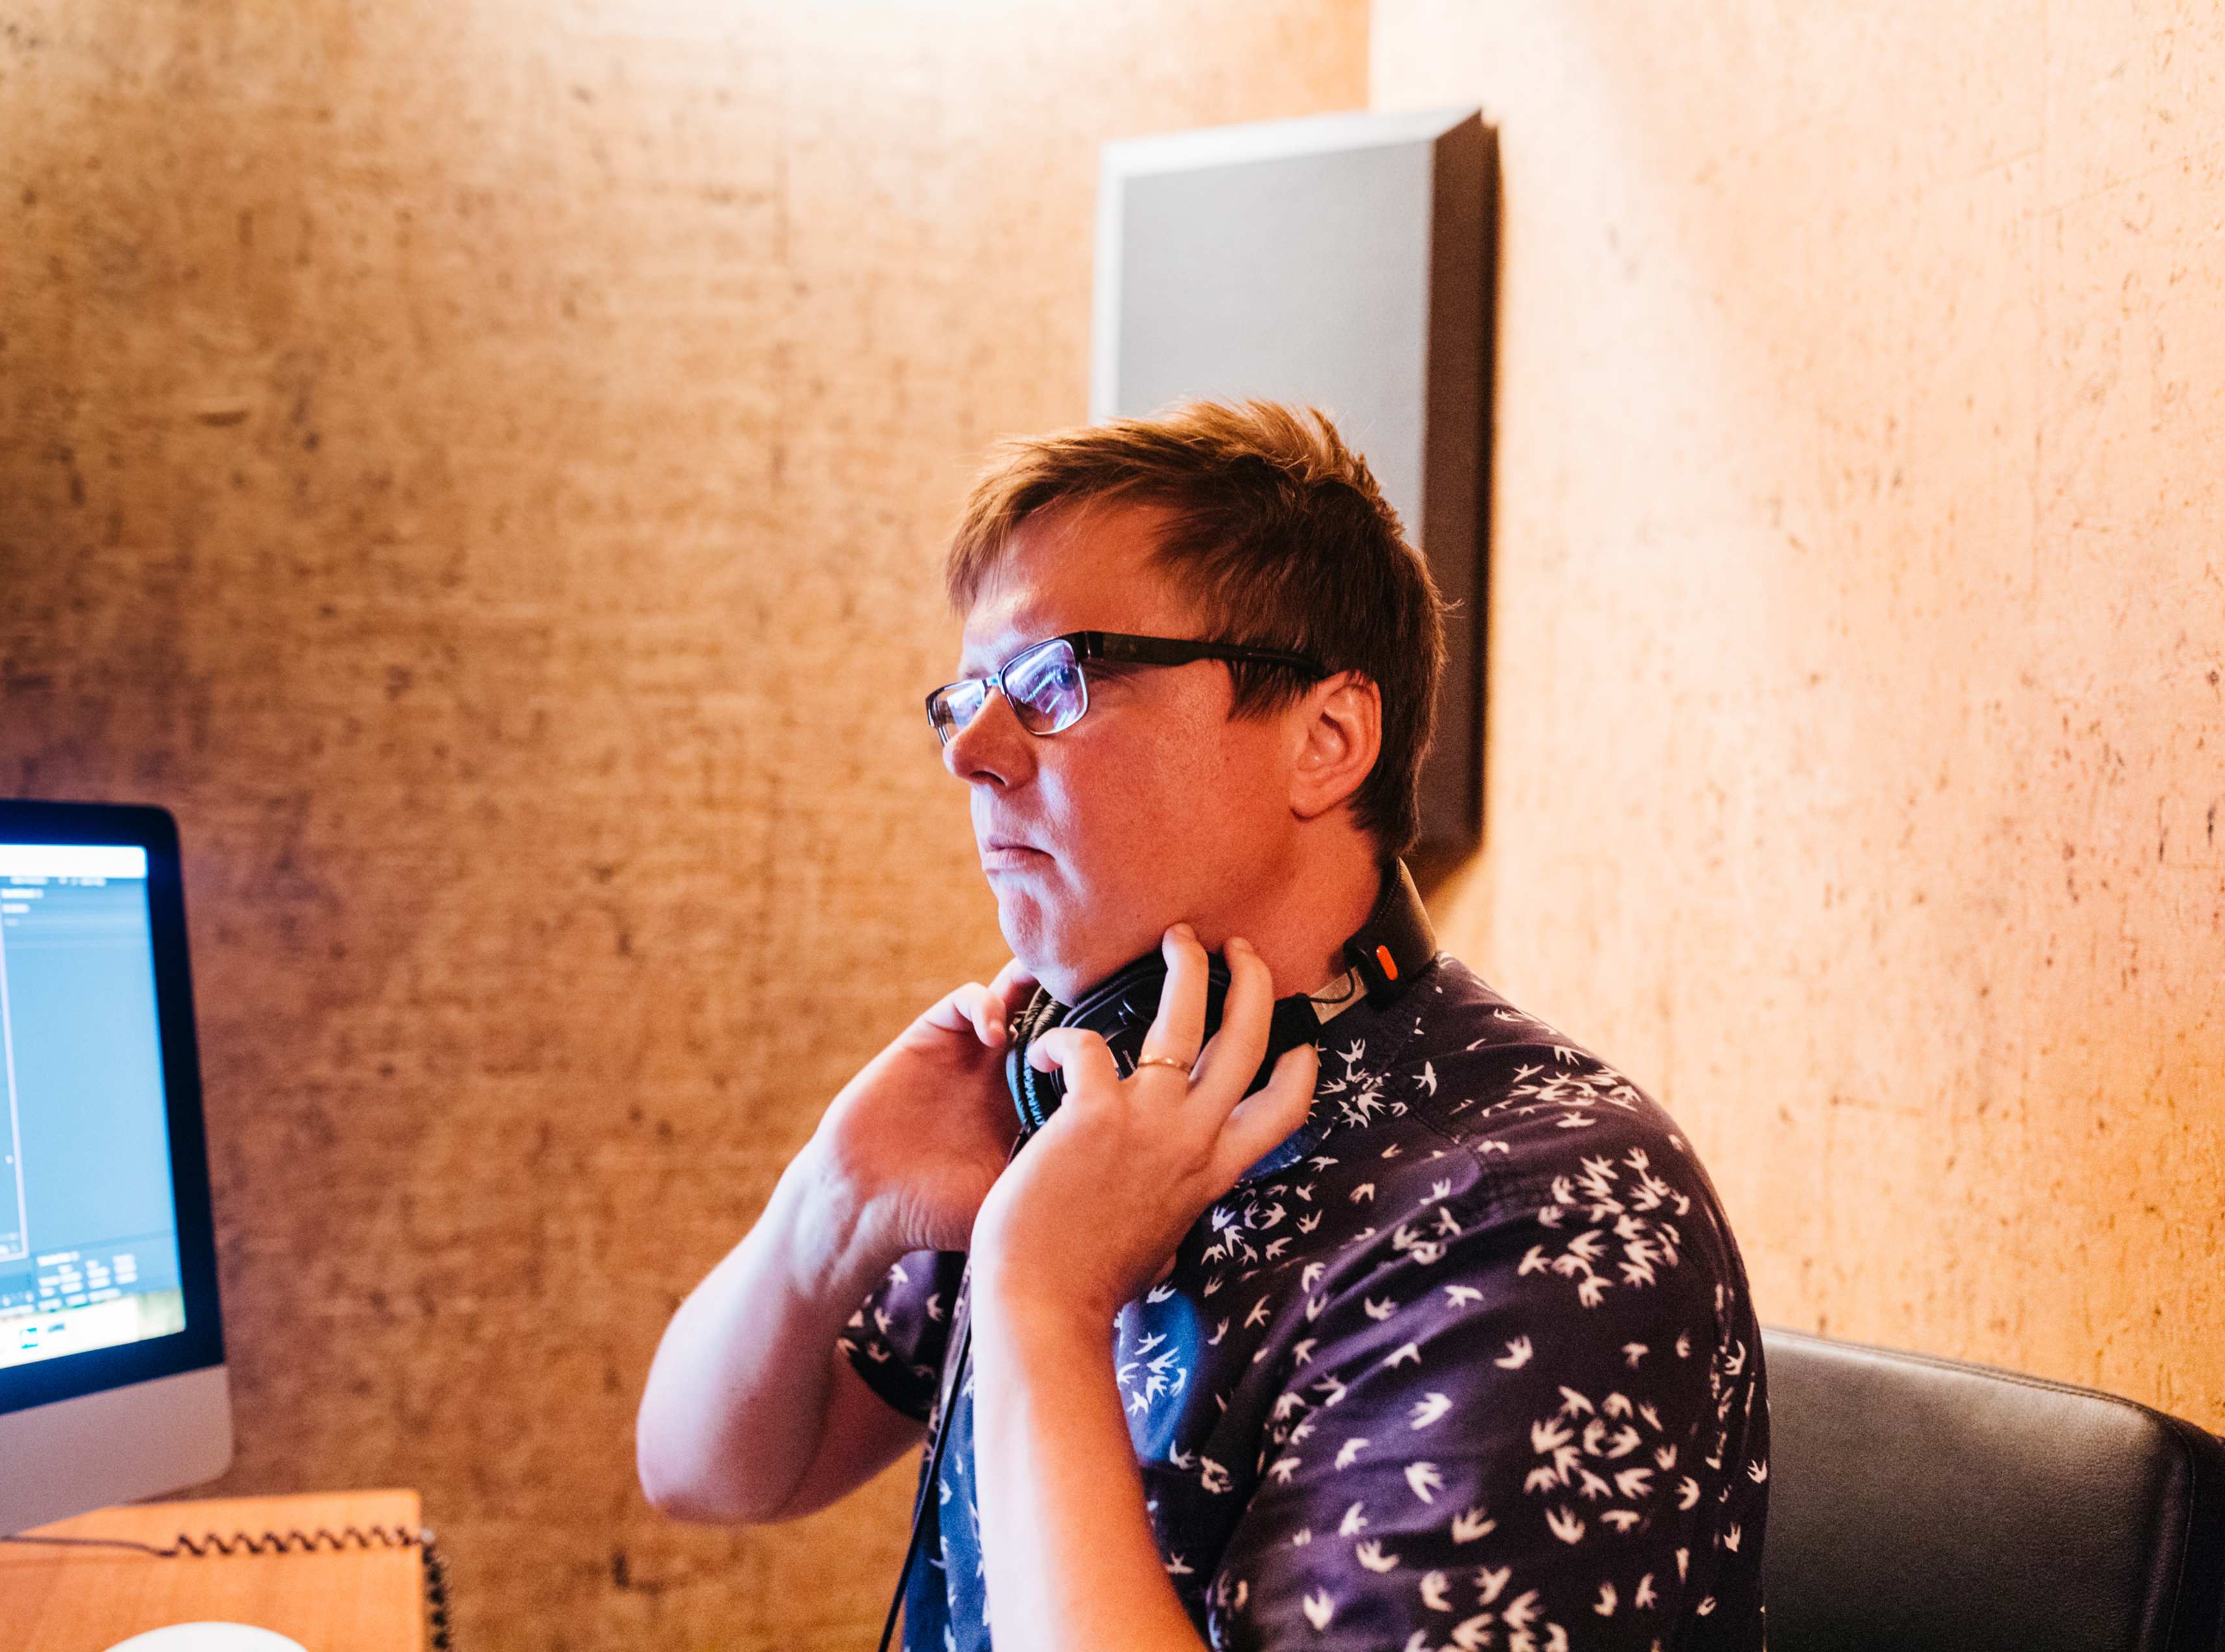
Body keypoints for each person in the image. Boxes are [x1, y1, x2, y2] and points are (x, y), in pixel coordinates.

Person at [637, 399, 1769, 1651]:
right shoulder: (1064, 1094)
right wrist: (831, 1205)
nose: (974, 751)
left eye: (1056, 678)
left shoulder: (1541, 1214)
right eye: (967, 695)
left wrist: (1042, 1302)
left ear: (1326, 738)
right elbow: (711, 1472)